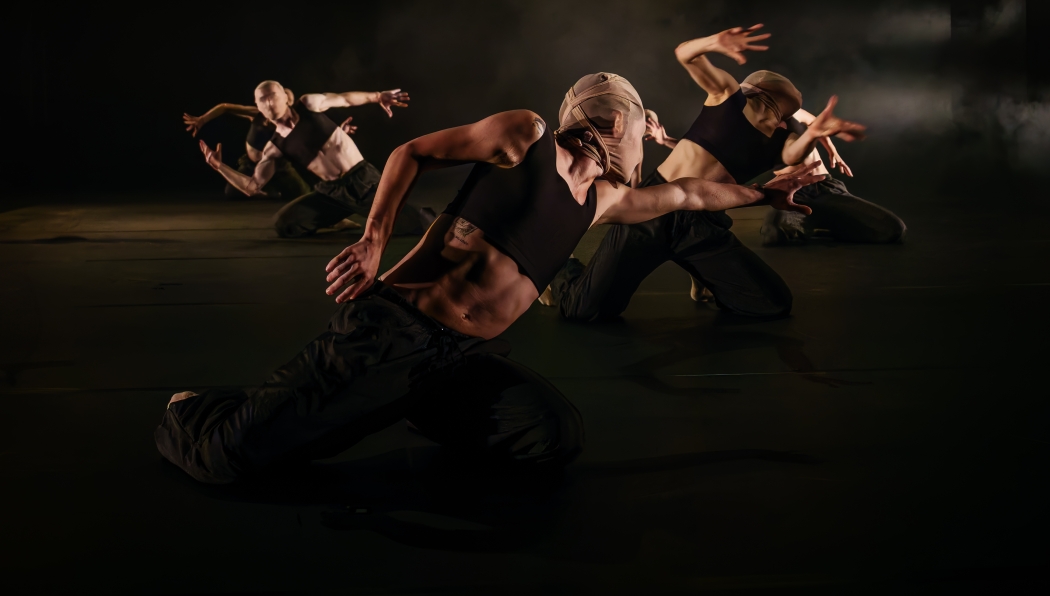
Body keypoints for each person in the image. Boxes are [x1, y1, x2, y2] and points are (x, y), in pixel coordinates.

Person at [157, 72, 824, 484]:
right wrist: (374, 238)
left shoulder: (603, 200)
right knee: (232, 459)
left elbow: (690, 195)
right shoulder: (526, 136)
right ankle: (189, 409)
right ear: (617, 123)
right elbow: (412, 151)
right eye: (639, 130)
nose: (646, 142)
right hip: (391, 333)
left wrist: (767, 194)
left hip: (456, 359)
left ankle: (398, 405)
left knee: (548, 436)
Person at [543, 25, 866, 321]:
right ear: (757, 92)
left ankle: (704, 274)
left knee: (771, 303)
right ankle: (562, 270)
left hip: (703, 221)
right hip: (655, 209)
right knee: (583, 311)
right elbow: (686, 54)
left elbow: (794, 155)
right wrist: (714, 42)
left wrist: (814, 134)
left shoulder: (785, 135)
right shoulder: (729, 98)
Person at [198, 81, 435, 238]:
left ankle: (439, 222)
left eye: (272, 95)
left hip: (360, 182)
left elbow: (345, 99)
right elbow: (252, 186)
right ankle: (337, 219)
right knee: (286, 224)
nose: (269, 101)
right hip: (330, 193)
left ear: (286, 97)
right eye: (262, 99)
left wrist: (377, 96)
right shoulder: (274, 147)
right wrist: (220, 167)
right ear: (258, 107)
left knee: (415, 225)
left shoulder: (309, 105)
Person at [645, 108, 907, 249]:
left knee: (891, 231)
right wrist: (665, 140)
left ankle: (826, 222)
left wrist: (833, 151)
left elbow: (818, 125)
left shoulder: (794, 113)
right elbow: (703, 155)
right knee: (773, 237)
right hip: (790, 194)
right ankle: (808, 221)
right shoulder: (748, 131)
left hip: (822, 187)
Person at [183, 101, 313, 201]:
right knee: (232, 192)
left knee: (304, 194)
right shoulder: (258, 114)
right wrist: (203, 119)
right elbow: (225, 107)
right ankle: (266, 191)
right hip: (251, 165)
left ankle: (273, 187)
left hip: (279, 167)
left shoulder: (290, 124)